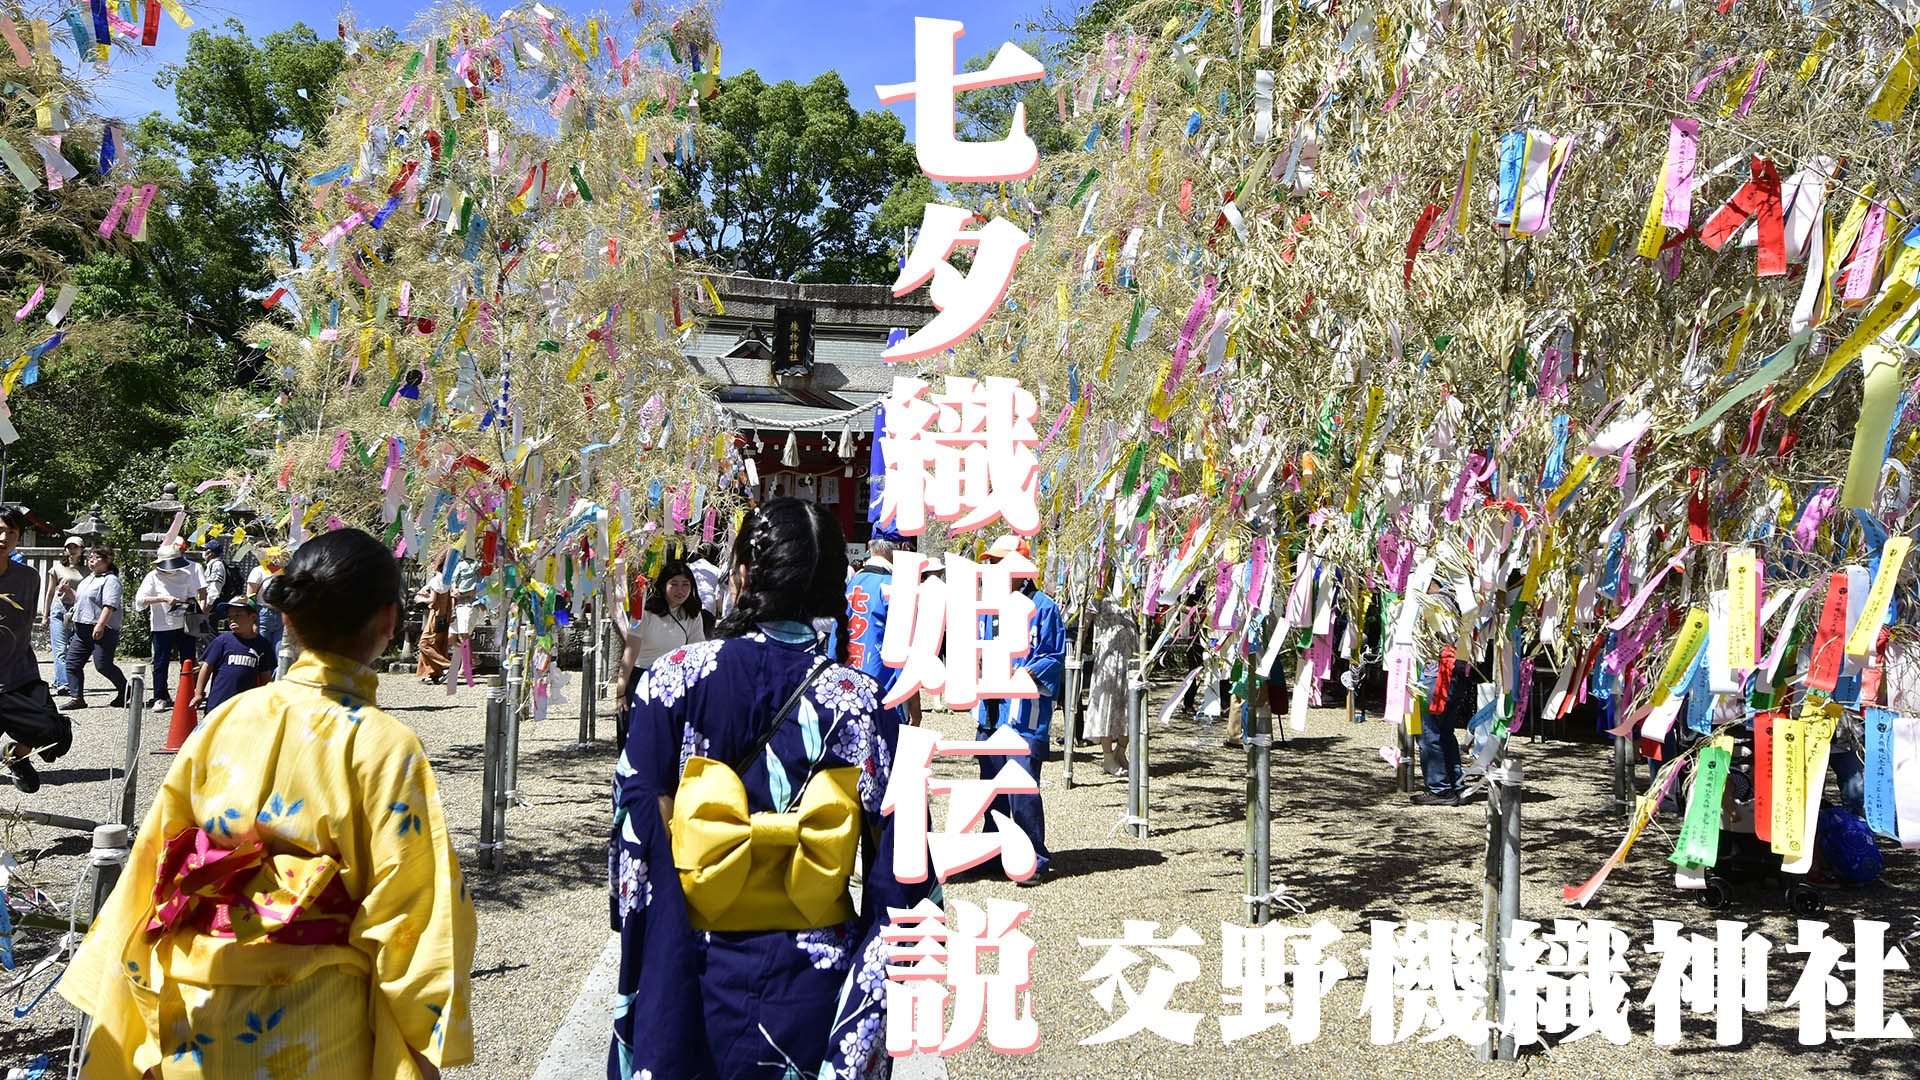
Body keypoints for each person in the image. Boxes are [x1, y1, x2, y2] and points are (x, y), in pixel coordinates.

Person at [60, 528, 476, 1078]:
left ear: (289, 619)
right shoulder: (385, 744)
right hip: (315, 1022)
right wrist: (421, 1042)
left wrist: (124, 989)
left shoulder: (226, 719)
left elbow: (154, 861)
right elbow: (412, 906)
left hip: (192, 1001)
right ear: (388, 621)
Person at [608, 497, 926, 1078]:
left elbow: (635, 855)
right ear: (835, 587)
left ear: (743, 576)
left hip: (692, 979)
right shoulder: (871, 708)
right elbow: (906, 888)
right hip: (815, 989)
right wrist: (858, 1036)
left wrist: (644, 990)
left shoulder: (673, 682)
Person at [974, 534, 1066, 881]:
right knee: (991, 787)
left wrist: (1025, 672)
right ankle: (992, 854)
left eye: (998, 562)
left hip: (1024, 715)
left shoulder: (1044, 607)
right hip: (991, 711)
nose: (992, 568)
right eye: (992, 562)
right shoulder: (989, 605)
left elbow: (1053, 657)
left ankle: (1032, 858)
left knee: (1021, 788)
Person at [0, 511, 73, 793]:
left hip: (19, 674)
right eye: (0, 530)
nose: (4, 538)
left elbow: (23, 626)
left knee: (56, 738)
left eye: (11, 533)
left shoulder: (29, 578)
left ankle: (15, 754)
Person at [612, 559, 706, 746]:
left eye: (685, 585)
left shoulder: (693, 614)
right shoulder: (643, 611)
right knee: (636, 738)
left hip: (675, 682)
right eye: (674, 584)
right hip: (642, 679)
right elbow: (630, 652)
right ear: (663, 586)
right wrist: (621, 691)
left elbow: (699, 651)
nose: (680, 590)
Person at [845, 533, 922, 728]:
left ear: (871, 545)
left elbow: (836, 642)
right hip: (885, 697)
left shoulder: (853, 584)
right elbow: (904, 653)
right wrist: (915, 705)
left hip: (846, 692)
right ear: (903, 548)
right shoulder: (896, 587)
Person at [134, 543, 208, 710]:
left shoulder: (186, 574)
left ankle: (188, 694)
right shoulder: (153, 576)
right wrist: (164, 599)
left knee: (188, 660)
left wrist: (187, 606)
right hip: (162, 625)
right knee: (161, 661)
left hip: (184, 622)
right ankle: (160, 696)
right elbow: (140, 600)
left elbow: (192, 596)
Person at [61, 545, 128, 711]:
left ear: (107, 561)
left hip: (103, 629)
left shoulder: (111, 580)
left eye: (96, 557)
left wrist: (100, 625)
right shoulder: (89, 578)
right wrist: (68, 591)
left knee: (103, 665)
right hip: (82, 627)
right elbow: (82, 600)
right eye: (90, 556)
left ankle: (126, 691)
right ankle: (77, 698)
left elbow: (109, 605)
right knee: (72, 663)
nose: (91, 560)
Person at [189, 598, 275, 716]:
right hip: (218, 704)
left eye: (238, 615)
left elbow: (265, 675)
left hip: (245, 707)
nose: (232, 619)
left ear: (253, 617)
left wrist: (266, 699)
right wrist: (199, 694)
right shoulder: (222, 641)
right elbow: (207, 666)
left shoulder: (263, 645)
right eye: (229, 616)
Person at [1085, 596, 1139, 776]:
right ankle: (1107, 756)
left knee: (1130, 705)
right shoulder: (1100, 589)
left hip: (1131, 654)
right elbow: (1087, 619)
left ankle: (1121, 751)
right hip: (1109, 657)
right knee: (1106, 704)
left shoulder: (1133, 584)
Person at [39, 536, 84, 696]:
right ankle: (64, 685)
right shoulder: (56, 569)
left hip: (78, 611)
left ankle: (59, 679)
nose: (72, 550)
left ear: (81, 550)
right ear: (65, 550)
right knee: (60, 648)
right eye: (69, 547)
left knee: (73, 649)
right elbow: (50, 592)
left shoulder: (87, 570)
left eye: (75, 547)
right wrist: (45, 615)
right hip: (59, 609)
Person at [415, 548, 455, 684]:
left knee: (424, 643)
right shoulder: (447, 580)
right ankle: (433, 674)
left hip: (435, 614)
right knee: (437, 644)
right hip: (445, 615)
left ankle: (447, 665)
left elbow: (432, 600)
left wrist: (421, 600)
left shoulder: (435, 580)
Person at [447, 551, 480, 683]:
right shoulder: (459, 565)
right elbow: (453, 581)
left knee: (464, 635)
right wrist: (454, 590)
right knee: (452, 637)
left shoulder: (478, 566)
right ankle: (473, 659)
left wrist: (463, 594)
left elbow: (478, 588)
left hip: (469, 604)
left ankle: (465, 667)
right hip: (459, 605)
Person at [687, 542, 725, 627]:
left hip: (693, 597)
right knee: (707, 627)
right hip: (710, 601)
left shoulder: (689, 567)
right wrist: (720, 612)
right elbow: (718, 596)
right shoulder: (716, 569)